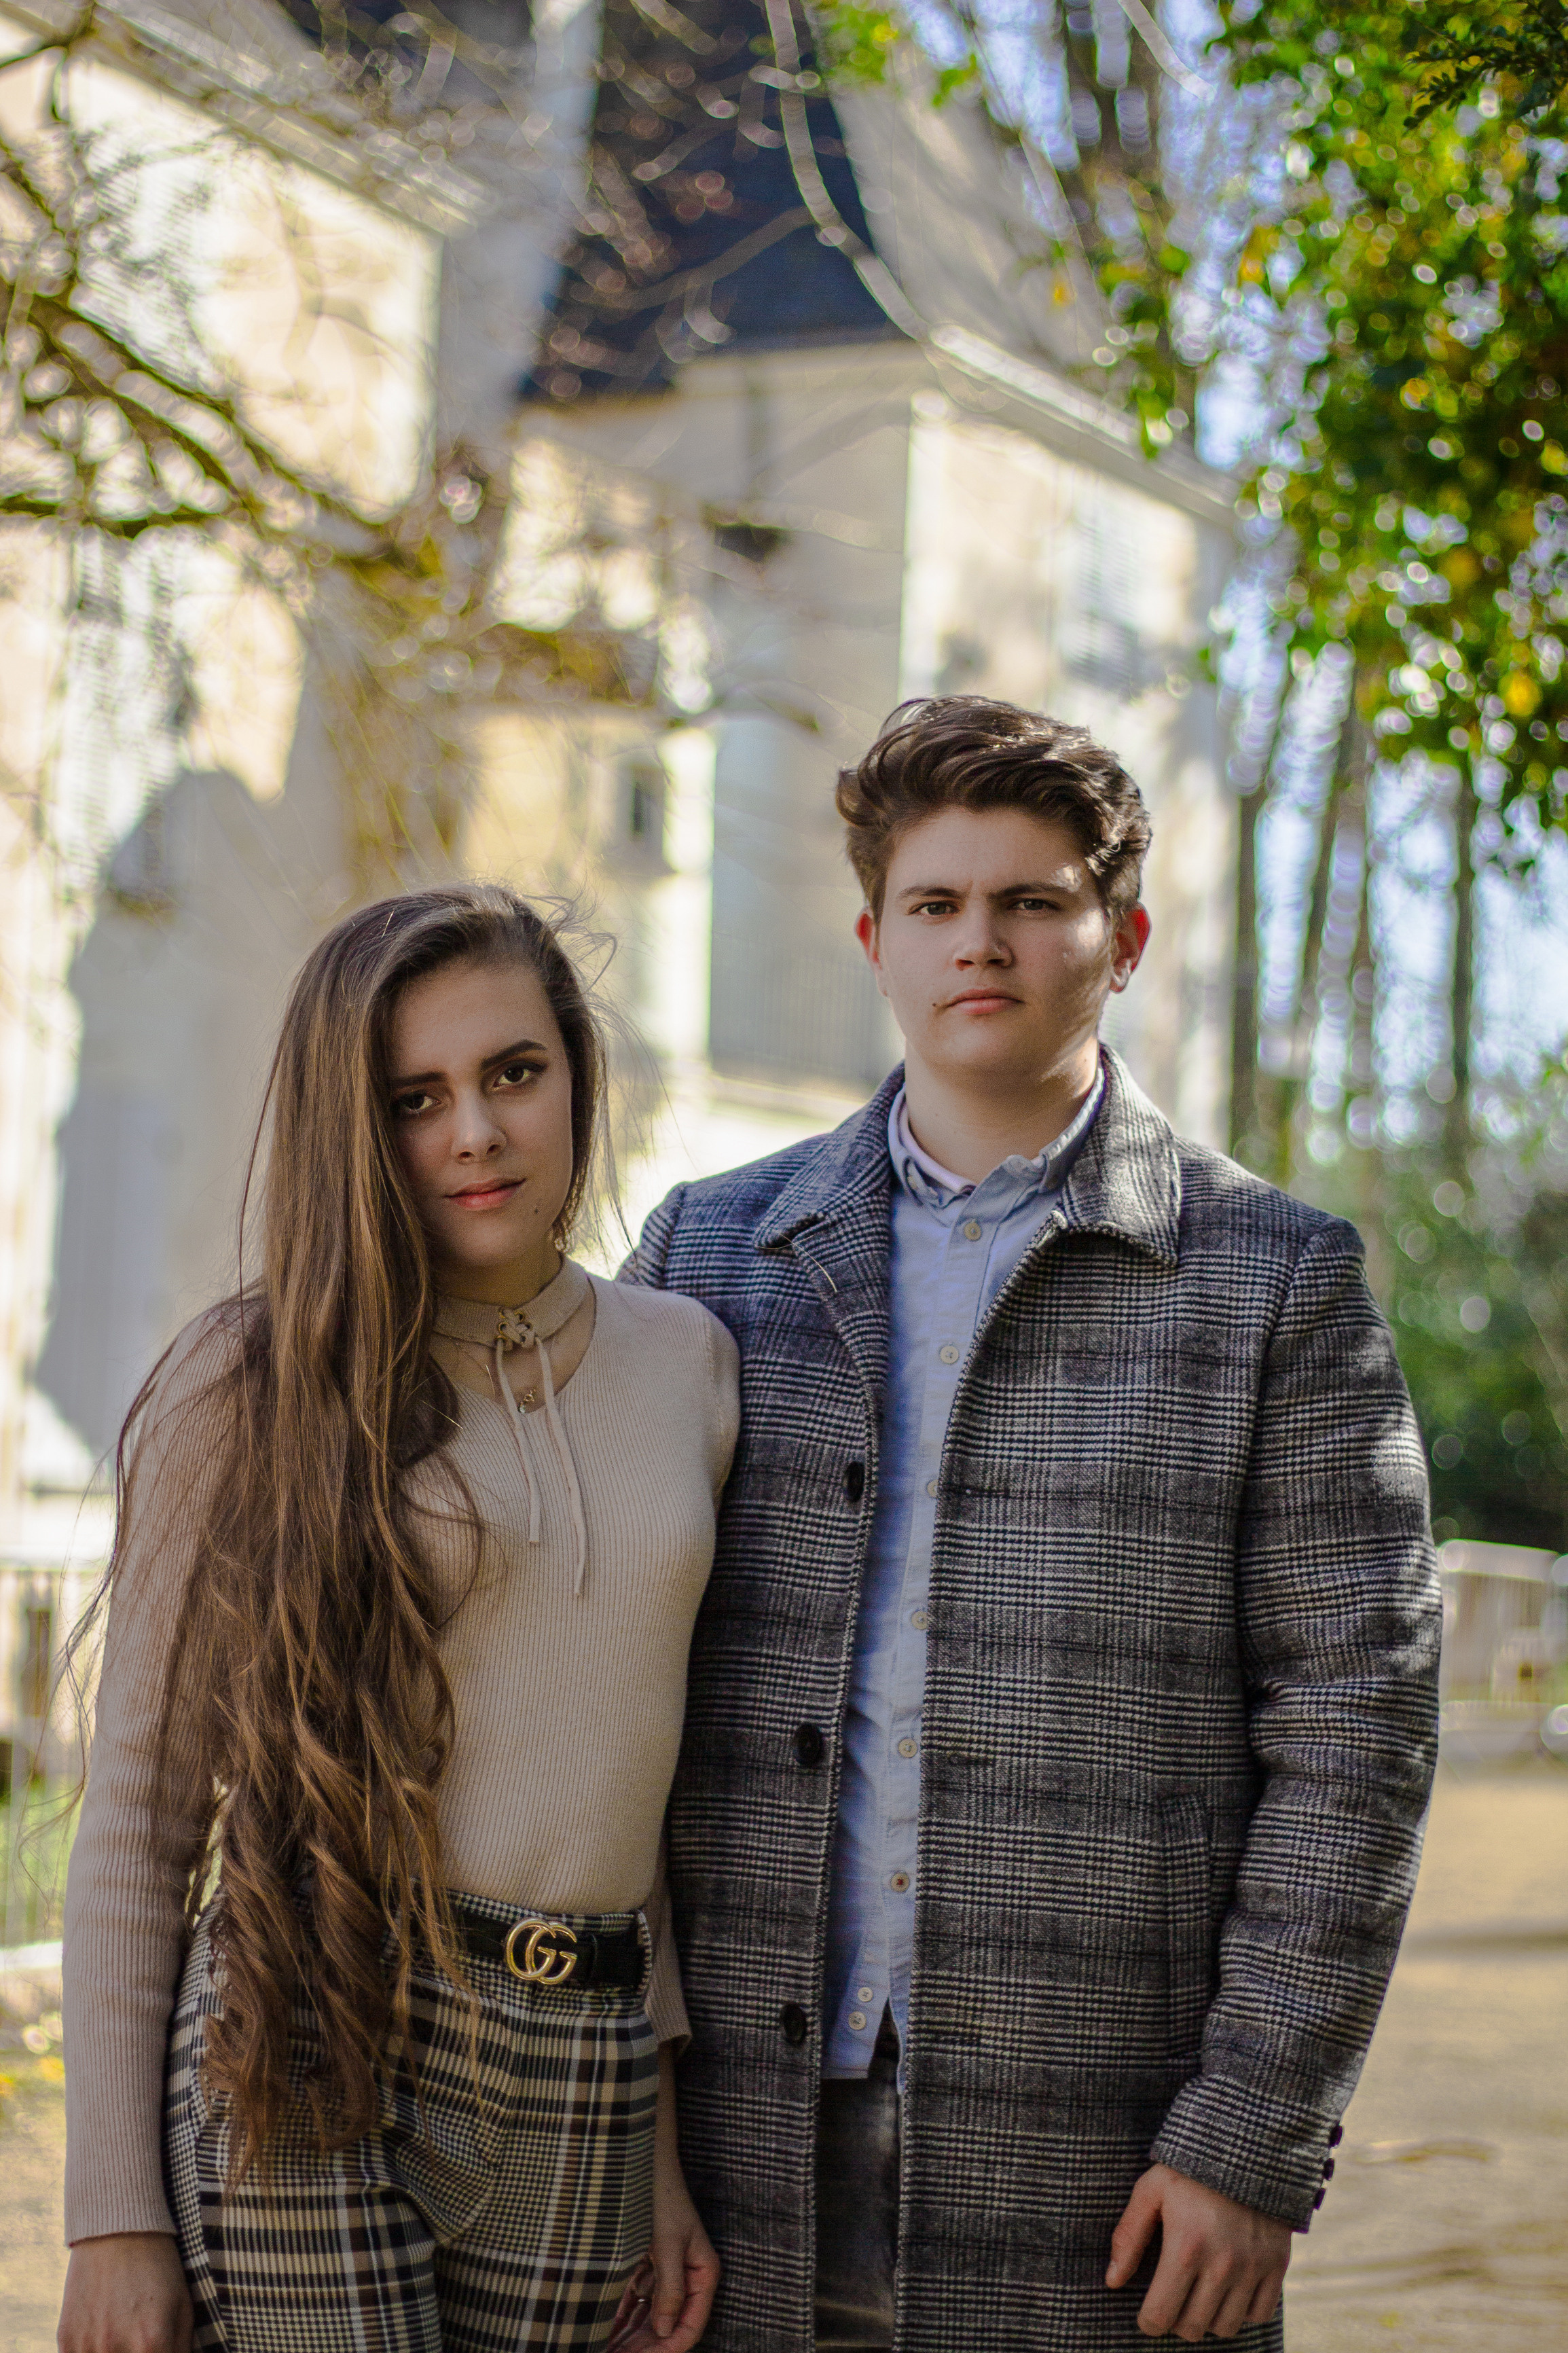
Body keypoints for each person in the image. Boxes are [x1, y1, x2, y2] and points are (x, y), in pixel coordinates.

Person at [623, 698, 1442, 2352]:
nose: (976, 943)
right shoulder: (706, 1256)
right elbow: (597, 1691)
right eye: (934, 905)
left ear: (1120, 938)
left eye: (1031, 901)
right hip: (736, 2147)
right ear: (873, 937)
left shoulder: (1278, 1284)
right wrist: (622, 2131)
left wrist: (1253, 2143)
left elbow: (1360, 1735)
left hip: (1110, 2165)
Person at [58, 885, 735, 2353]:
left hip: (587, 2068)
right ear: (350, 1128)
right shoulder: (247, 1379)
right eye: (413, 1098)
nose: (475, 1133)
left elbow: (656, 1779)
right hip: (316, 2028)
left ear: (575, 1071)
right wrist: (113, 2218)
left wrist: (665, 2151)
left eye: (513, 1073)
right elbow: (138, 1818)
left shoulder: (688, 1364)